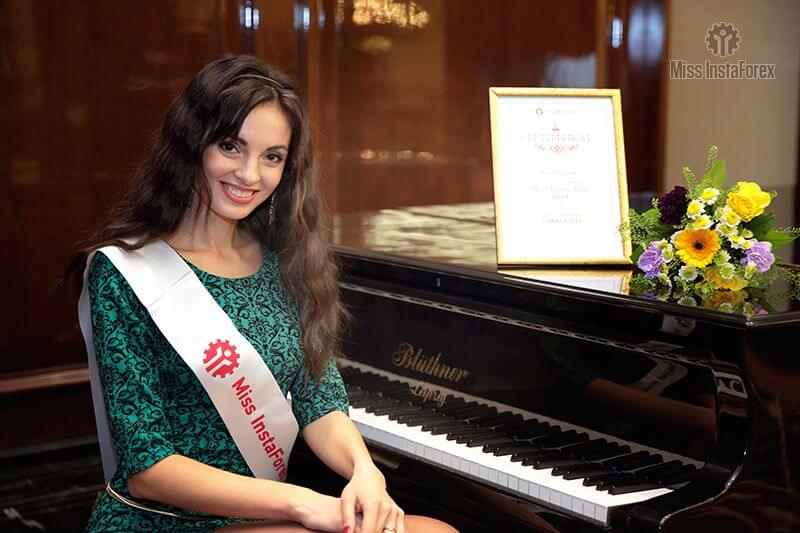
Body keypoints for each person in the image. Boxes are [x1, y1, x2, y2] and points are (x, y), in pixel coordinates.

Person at [64, 54, 456, 533]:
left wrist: (365, 472)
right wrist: (300, 503)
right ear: (191, 143)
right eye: (231, 146)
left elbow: (318, 399)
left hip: (266, 513)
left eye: (272, 157)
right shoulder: (124, 273)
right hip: (162, 519)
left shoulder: (281, 262)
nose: (250, 175)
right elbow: (147, 469)